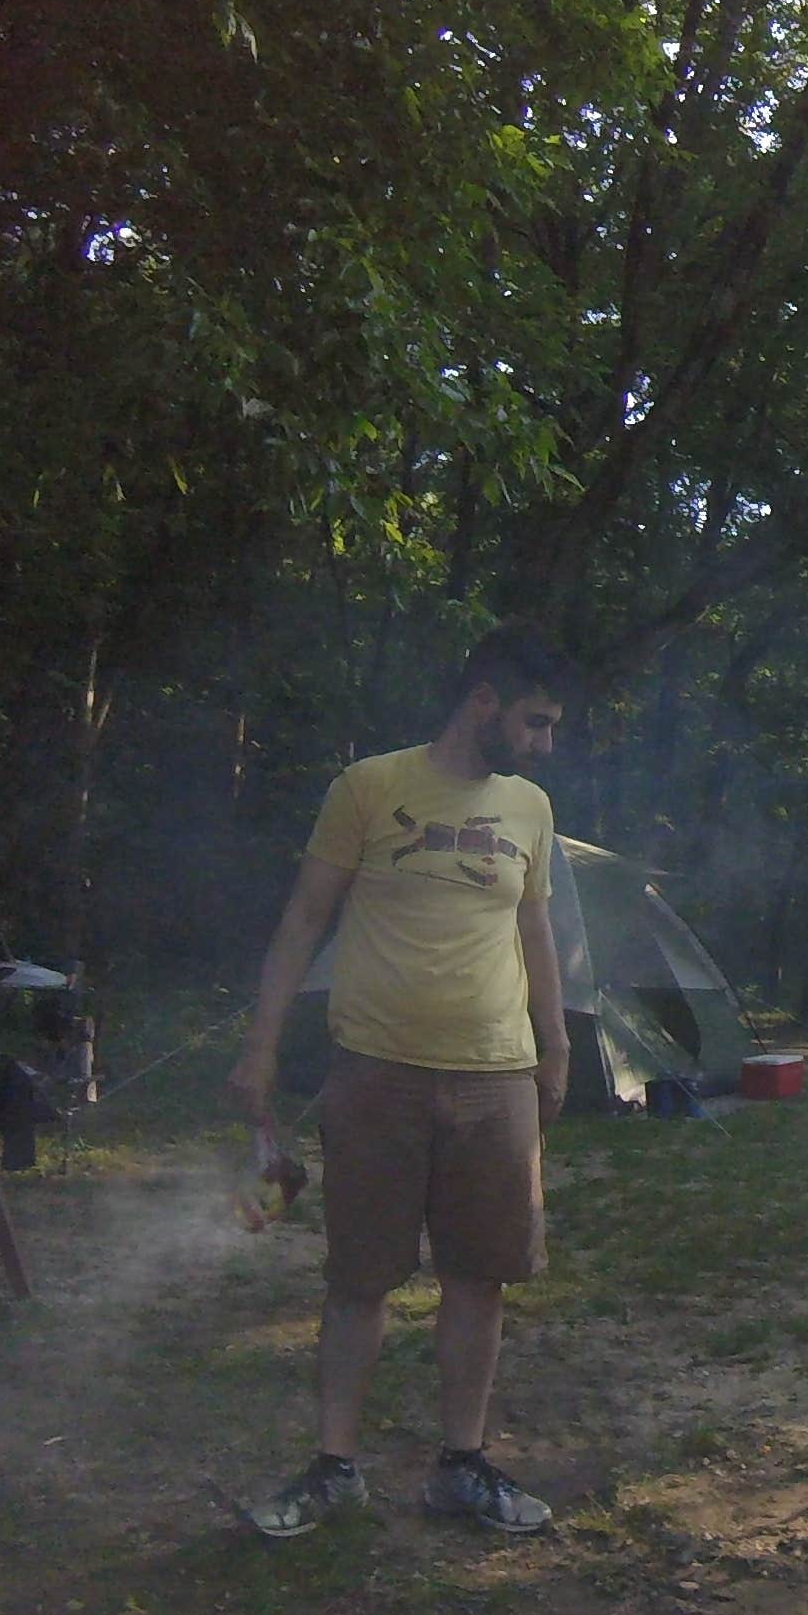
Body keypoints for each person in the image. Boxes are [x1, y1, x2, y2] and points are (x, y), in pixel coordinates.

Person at [226, 623, 577, 1537]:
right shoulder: (371, 787)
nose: (544, 745)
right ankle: (334, 1467)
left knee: (480, 1277)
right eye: (536, 723)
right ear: (484, 701)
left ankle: (462, 1466)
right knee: (359, 1280)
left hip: (496, 1074)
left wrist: (556, 1044)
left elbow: (536, 933)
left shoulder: (531, 809)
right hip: (374, 1071)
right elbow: (302, 921)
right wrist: (260, 1049)